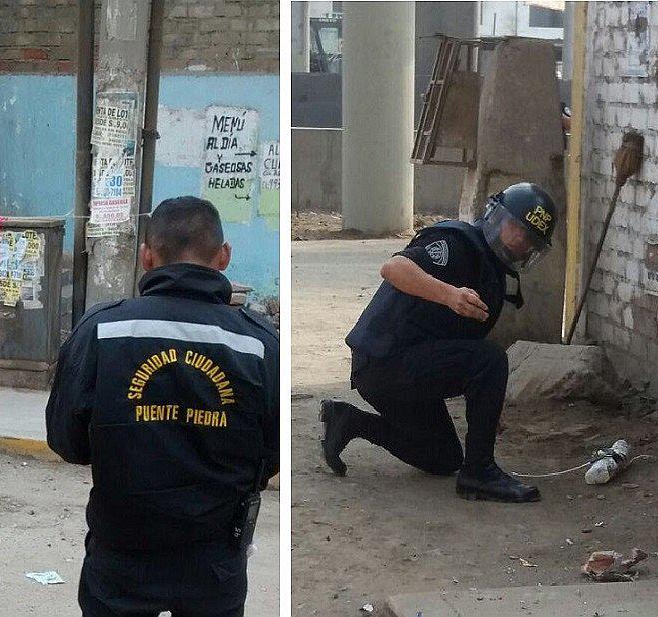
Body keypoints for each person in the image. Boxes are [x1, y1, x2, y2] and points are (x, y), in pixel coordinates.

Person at [46, 196, 279, 616]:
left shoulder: (102, 330)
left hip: (122, 553)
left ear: (147, 258)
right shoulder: (259, 344)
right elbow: (273, 453)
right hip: (215, 557)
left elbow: (67, 441)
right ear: (224, 257)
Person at [320, 183, 557, 503]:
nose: (520, 242)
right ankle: (479, 474)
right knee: (492, 358)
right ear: (498, 218)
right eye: (517, 229)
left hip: (410, 366)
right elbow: (394, 268)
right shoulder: (458, 243)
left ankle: (349, 421)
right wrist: (449, 294)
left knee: (442, 458)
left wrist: (486, 404)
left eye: (530, 240)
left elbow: (461, 351)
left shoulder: (495, 275)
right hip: (384, 361)